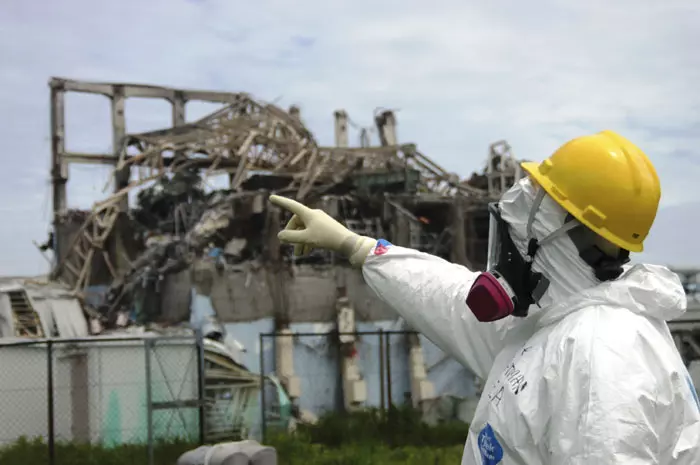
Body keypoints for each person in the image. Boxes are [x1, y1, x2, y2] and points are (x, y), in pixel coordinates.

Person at [269, 130, 700, 465]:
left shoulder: (600, 356)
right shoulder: (557, 320)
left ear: (553, 230)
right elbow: (446, 295)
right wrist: (356, 246)